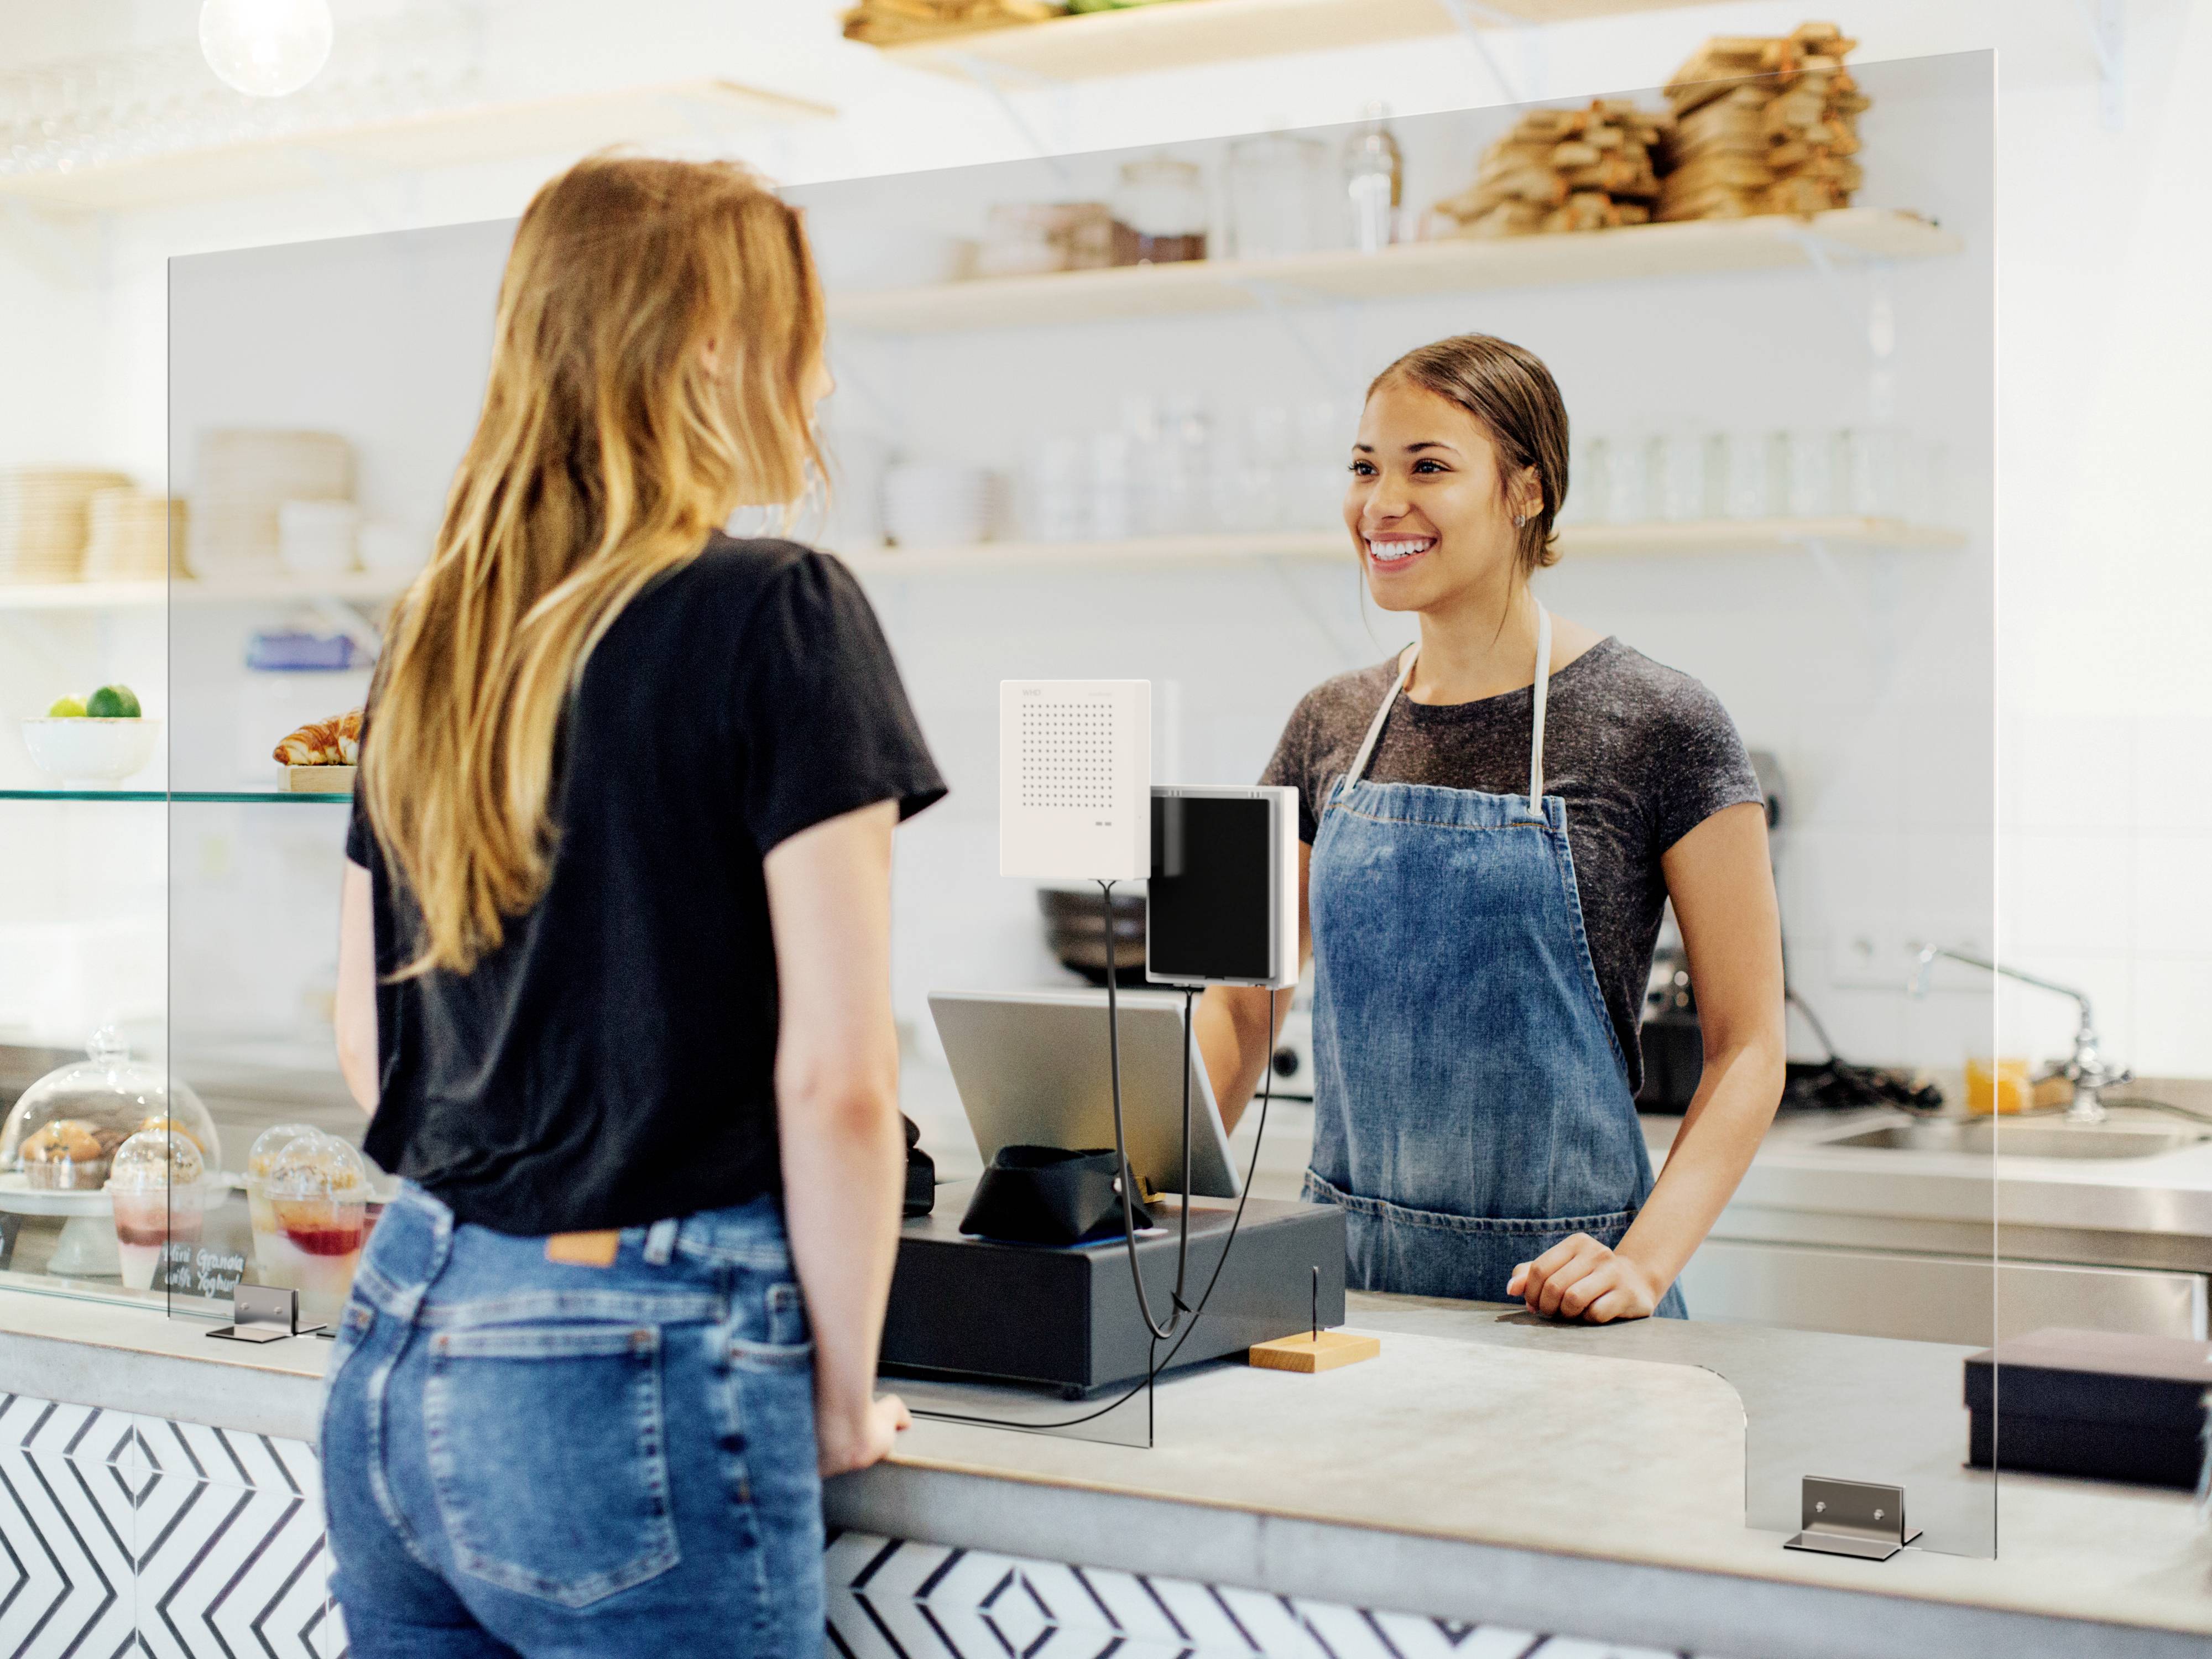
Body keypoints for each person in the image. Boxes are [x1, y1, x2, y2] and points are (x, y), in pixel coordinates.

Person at [322, 155, 945, 1656]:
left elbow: (367, 1038)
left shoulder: (435, 638)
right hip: (630, 1347)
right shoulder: (779, 609)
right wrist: (847, 1384)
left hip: (404, 1331)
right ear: (717, 343)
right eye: (799, 329)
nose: (819, 372)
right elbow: (842, 1080)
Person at [1195, 333, 1783, 1323]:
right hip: (1343, 1293)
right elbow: (1241, 1003)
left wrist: (1639, 1265)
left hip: (1566, 1299)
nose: (1382, 503)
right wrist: (1150, 1189)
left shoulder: (1664, 722)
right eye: (1364, 467)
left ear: (1526, 491)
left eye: (1428, 467)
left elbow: (1750, 1045)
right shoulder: (1327, 721)